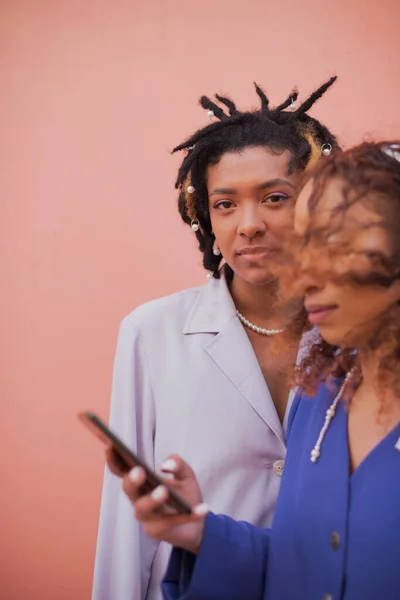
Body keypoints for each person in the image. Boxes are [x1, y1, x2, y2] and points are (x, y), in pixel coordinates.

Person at [92, 78, 339, 600]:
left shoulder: (360, 335)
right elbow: (124, 523)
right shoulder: (151, 332)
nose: (248, 225)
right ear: (204, 213)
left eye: (275, 198)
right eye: (225, 204)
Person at [121, 140, 400, 600]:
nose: (302, 274)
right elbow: (307, 566)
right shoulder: (320, 396)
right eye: (305, 245)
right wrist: (201, 533)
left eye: (337, 244)